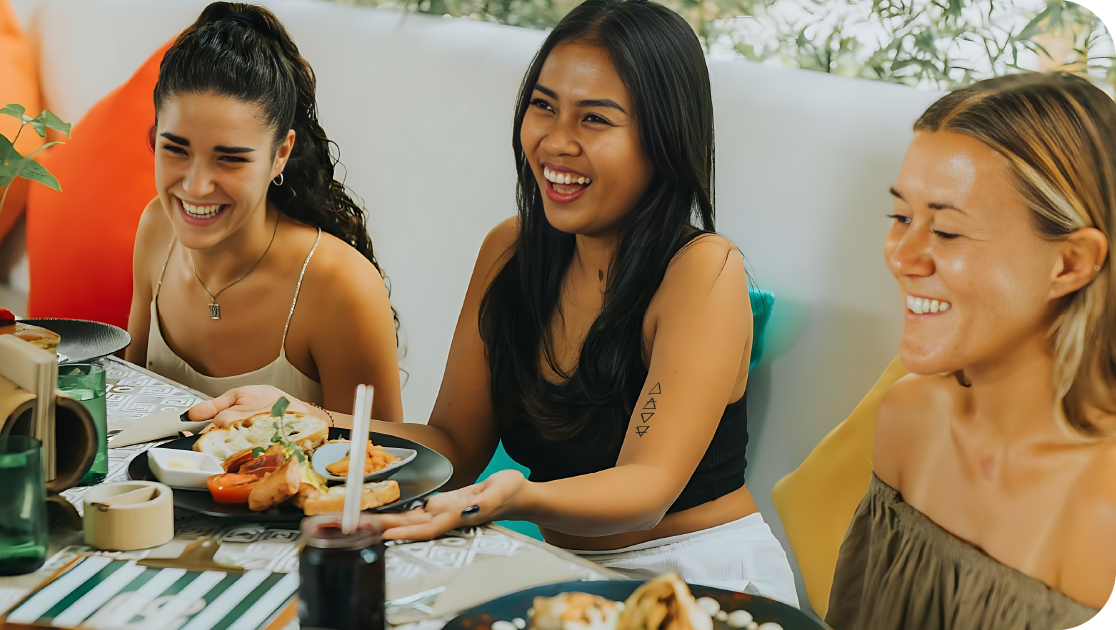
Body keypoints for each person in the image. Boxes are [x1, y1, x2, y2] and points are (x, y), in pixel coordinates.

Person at [191, 0, 799, 606]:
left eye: (595, 120)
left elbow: (648, 486)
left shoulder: (703, 269)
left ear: (662, 138)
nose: (556, 142)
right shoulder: (510, 250)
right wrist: (309, 419)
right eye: (543, 106)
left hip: (701, 574)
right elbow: (453, 446)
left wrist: (515, 498)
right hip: (554, 570)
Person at [827, 72, 1116, 629]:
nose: (903, 257)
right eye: (902, 219)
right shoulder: (908, 421)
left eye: (949, 233)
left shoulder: (1105, 506)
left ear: (1071, 263)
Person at [125, 2, 403, 421]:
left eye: (230, 159)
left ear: (280, 155)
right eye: (175, 149)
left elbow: (382, 460)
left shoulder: (340, 286)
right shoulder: (156, 230)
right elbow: (132, 400)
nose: (196, 186)